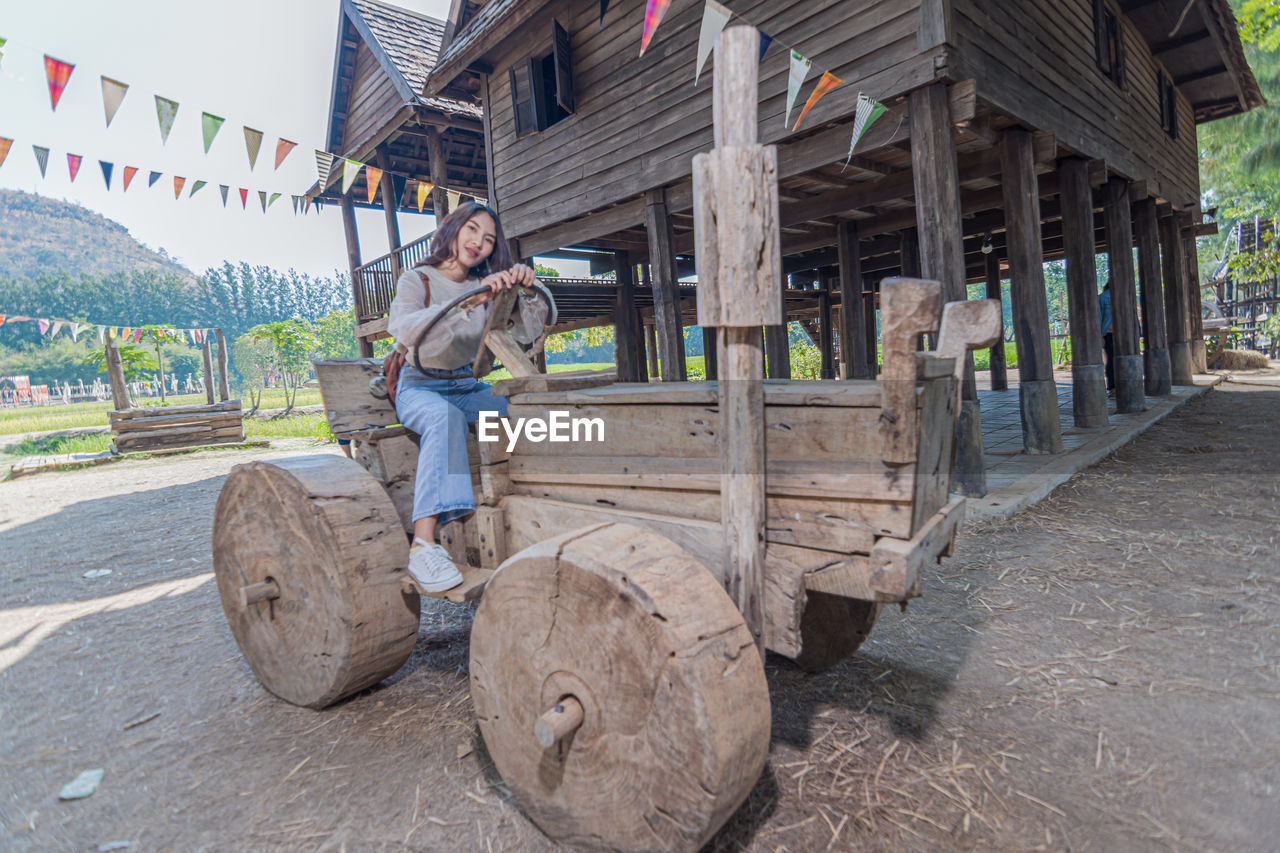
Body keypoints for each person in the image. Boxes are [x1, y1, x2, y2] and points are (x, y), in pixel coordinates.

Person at [386, 202, 554, 592]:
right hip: (419, 386)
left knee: (525, 410)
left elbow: (529, 334)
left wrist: (526, 290)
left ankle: (541, 495)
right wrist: (468, 302)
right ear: (455, 227)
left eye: (489, 239)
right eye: (473, 229)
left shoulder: (491, 285)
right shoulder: (418, 279)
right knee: (446, 418)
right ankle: (423, 544)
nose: (478, 242)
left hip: (465, 384)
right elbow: (404, 327)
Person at [1099, 279, 1114, 395]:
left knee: (1111, 360)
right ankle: (1113, 386)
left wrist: (1100, 335)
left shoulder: (1102, 297)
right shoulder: (1103, 298)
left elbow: (1099, 318)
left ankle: (1112, 387)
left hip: (1108, 334)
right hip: (1111, 334)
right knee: (1112, 360)